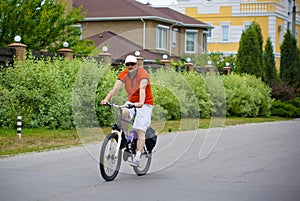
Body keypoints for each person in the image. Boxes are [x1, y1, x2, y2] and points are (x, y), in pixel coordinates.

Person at [100, 55, 154, 166]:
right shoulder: (124, 74)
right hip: (131, 101)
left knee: (140, 129)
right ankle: (125, 137)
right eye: (128, 64)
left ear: (137, 64)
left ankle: (138, 157)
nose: (130, 66)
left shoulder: (143, 74)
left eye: (132, 64)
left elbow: (143, 89)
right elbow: (115, 89)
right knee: (124, 112)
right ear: (125, 65)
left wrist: (141, 103)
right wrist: (106, 99)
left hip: (145, 103)